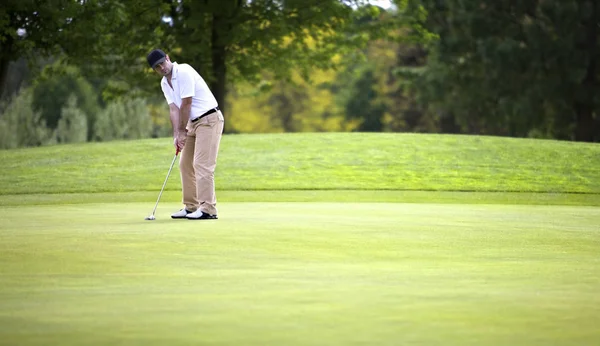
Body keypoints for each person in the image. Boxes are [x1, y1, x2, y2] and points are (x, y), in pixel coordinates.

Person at [146, 49, 224, 220]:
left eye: (162, 63)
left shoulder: (184, 71)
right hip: (192, 123)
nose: (162, 68)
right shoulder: (164, 84)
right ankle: (191, 206)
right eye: (157, 67)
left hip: (209, 120)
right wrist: (176, 134)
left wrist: (182, 131)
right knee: (185, 164)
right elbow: (174, 109)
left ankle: (208, 209)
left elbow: (186, 103)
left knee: (202, 165)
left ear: (168, 58)